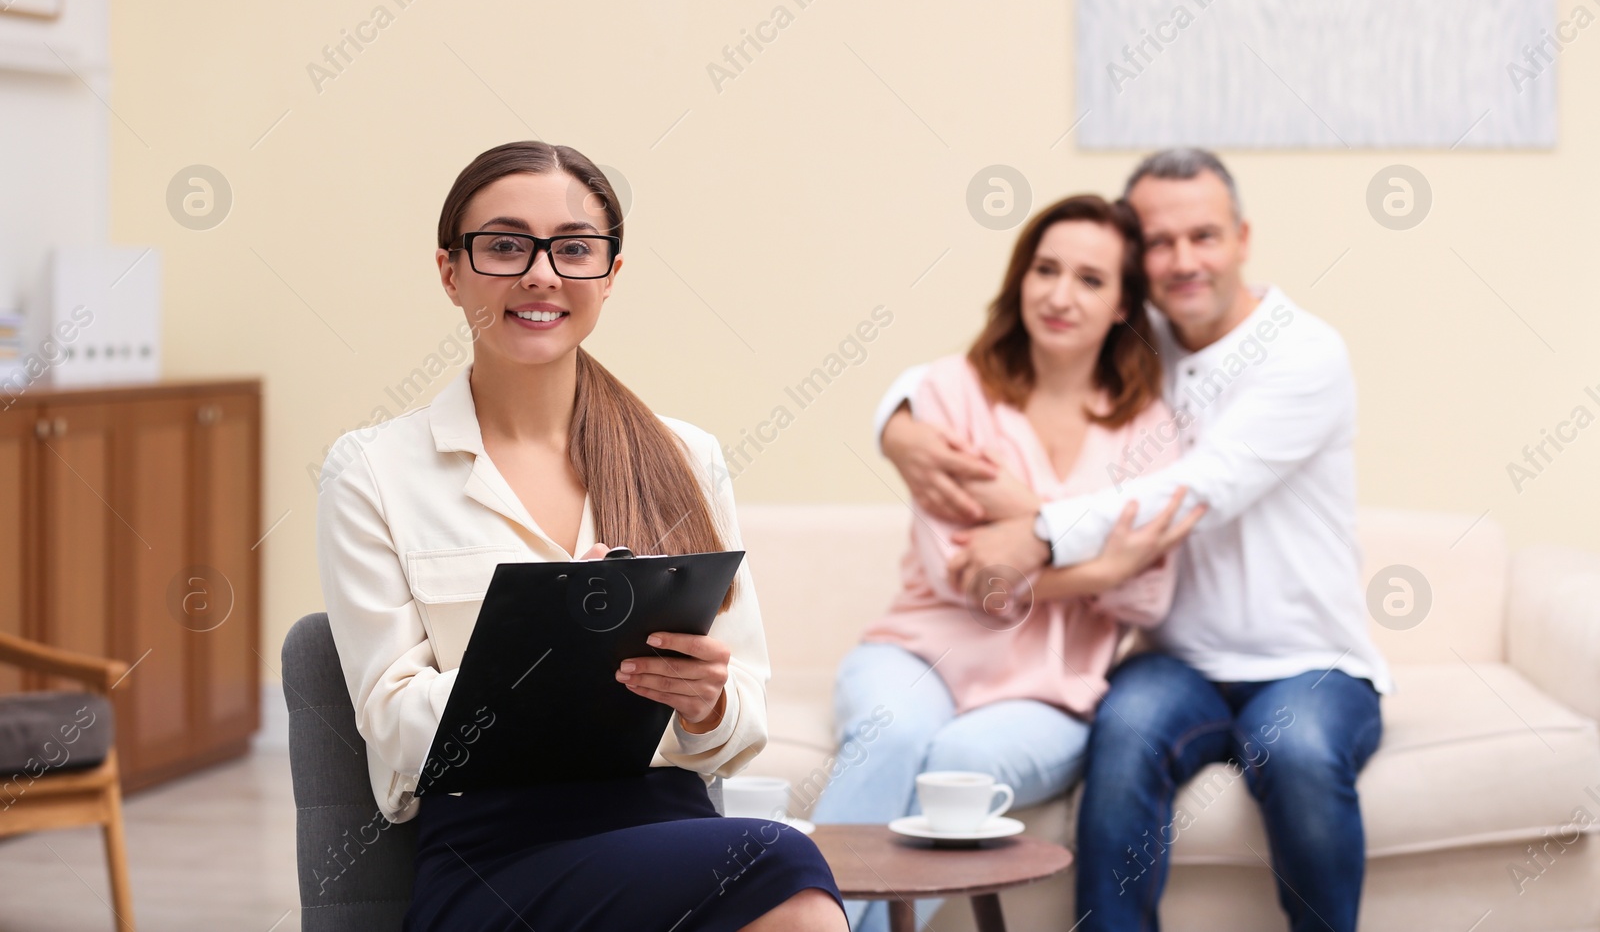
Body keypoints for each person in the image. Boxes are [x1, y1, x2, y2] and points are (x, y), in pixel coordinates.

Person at [317, 141, 846, 932]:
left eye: (573, 249)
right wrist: (542, 659)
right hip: (493, 856)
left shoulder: (686, 459)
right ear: (450, 270)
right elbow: (393, 744)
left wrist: (703, 707)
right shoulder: (371, 470)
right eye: (503, 245)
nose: (541, 273)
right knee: (782, 866)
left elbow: (739, 724)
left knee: (773, 873)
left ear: (609, 275)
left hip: (668, 823)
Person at [875, 149, 1390, 932]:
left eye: (1204, 235)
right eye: (1158, 241)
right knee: (1121, 743)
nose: (1183, 260)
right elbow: (991, 360)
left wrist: (1037, 532)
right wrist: (898, 423)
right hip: (1178, 665)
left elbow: (1198, 489)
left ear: (1243, 237)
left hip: (1308, 663)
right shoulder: (1145, 334)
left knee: (1297, 755)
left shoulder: (1301, 353)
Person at [813, 194, 1202, 932]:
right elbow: (965, 573)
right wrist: (1095, 568)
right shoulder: (947, 391)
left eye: (1090, 279)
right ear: (1019, 277)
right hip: (915, 653)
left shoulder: (1152, 429)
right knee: (895, 732)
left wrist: (1019, 520)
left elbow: (1150, 597)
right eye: (1045, 269)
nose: (1059, 295)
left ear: (1124, 303)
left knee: (960, 761)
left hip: (1049, 691)